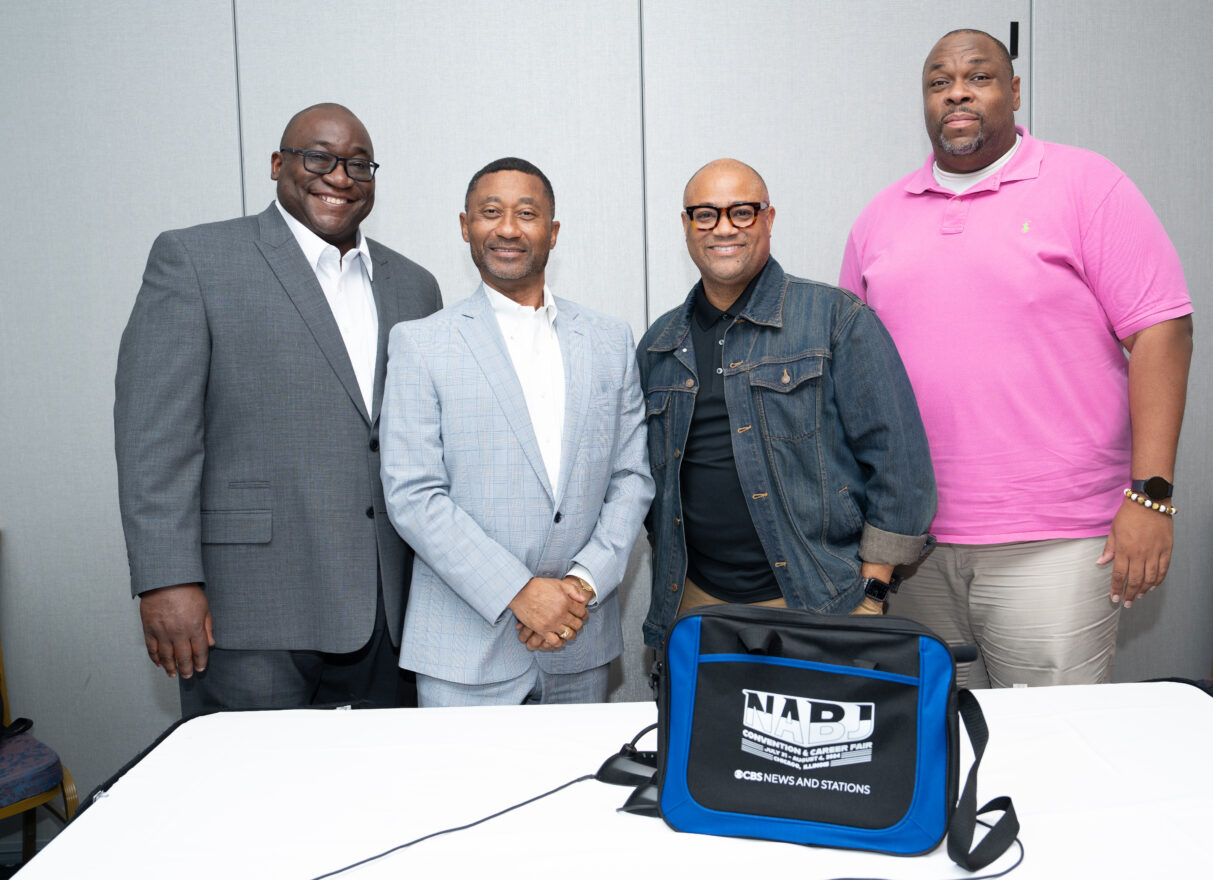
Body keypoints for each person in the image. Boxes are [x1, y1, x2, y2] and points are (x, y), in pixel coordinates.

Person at [839, 29, 1194, 688]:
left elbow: (1162, 332)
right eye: (939, 81)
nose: (957, 93)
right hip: (914, 546)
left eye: (978, 76)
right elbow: (853, 389)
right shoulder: (879, 220)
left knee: (1047, 754)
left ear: (1015, 90)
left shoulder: (1087, 185)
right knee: (927, 754)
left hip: (1057, 543)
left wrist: (1152, 498)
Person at [115, 103, 443, 715]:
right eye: (317, 157)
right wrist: (167, 580)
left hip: (390, 612)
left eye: (358, 164)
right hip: (250, 611)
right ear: (277, 164)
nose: (338, 177)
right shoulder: (195, 259)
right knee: (253, 799)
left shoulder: (415, 286)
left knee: (385, 799)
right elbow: (154, 437)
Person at [380, 157, 653, 706]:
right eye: (490, 213)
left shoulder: (608, 339)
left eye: (526, 213)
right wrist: (519, 593)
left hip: (579, 638)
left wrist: (580, 586)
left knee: (580, 793)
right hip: (462, 651)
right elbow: (413, 495)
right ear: (466, 227)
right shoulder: (420, 343)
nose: (508, 228)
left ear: (552, 232)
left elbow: (631, 479)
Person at [638, 158, 937, 649]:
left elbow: (900, 467)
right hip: (694, 605)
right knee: (708, 729)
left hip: (820, 603)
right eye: (706, 214)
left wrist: (872, 595)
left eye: (742, 212)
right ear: (688, 227)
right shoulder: (660, 345)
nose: (723, 228)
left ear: (769, 220)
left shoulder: (836, 319)